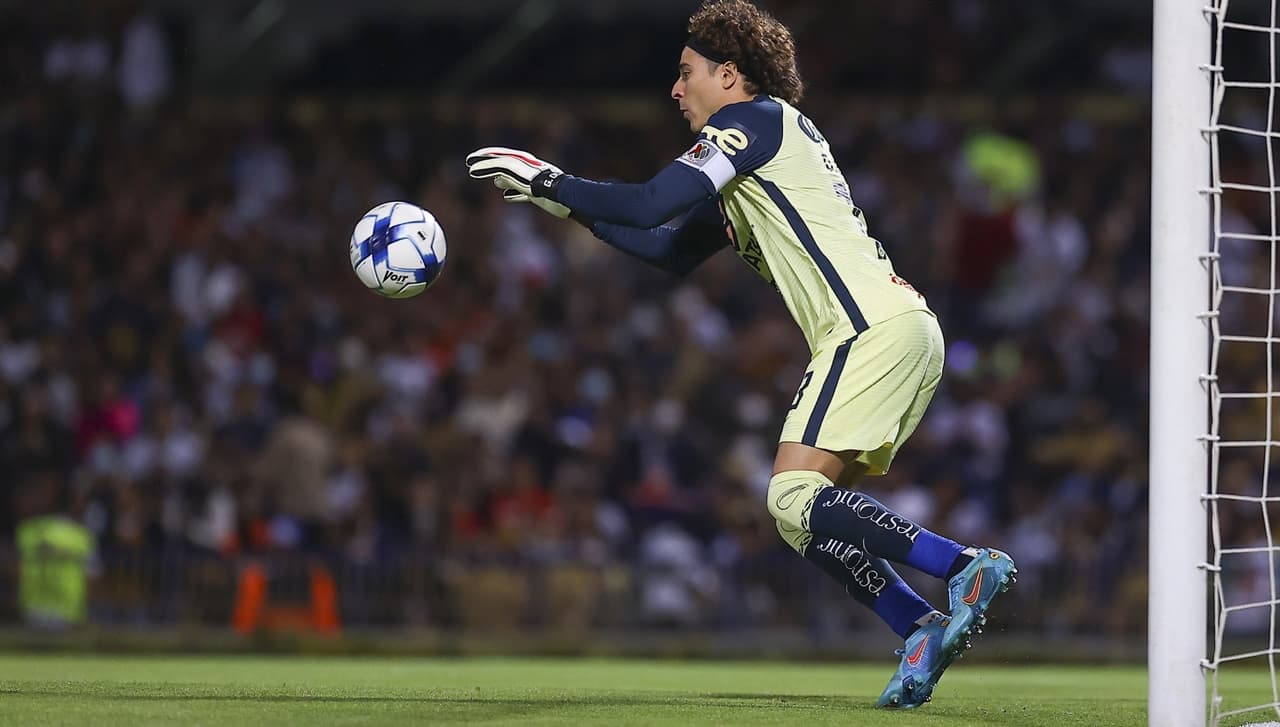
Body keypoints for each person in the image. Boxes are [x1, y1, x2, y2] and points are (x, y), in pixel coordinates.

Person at [465, 0, 1015, 709]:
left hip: (869, 329)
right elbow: (665, 249)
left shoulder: (753, 123)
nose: (675, 89)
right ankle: (916, 624)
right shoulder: (756, 156)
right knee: (795, 511)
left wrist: (549, 178)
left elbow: (647, 202)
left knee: (789, 495)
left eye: (686, 72)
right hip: (895, 327)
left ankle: (964, 566)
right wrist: (559, 206)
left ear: (730, 75)